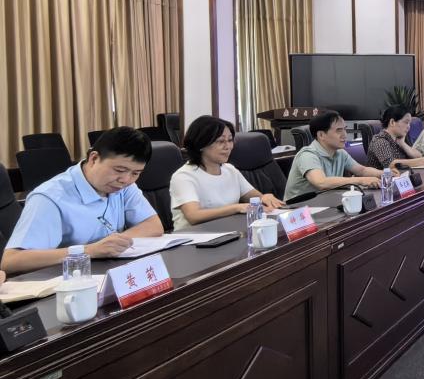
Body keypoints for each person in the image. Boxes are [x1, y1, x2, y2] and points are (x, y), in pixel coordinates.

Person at [1, 126, 164, 276]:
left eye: (136, 173)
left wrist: (114, 244)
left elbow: (153, 225)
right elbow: (12, 261)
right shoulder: (50, 197)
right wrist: (89, 251)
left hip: (110, 274)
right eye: (119, 170)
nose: (126, 179)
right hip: (66, 283)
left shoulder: (123, 185)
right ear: (94, 158)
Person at [170, 116, 286, 228]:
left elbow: (255, 197)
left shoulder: (230, 170)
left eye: (230, 140)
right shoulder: (184, 176)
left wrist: (265, 197)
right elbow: (193, 216)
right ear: (201, 144)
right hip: (194, 237)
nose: (228, 146)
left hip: (229, 232)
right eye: (221, 141)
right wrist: (236, 208)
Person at [283, 110, 383, 203]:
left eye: (345, 129)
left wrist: (387, 174)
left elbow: (362, 170)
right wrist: (361, 180)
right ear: (321, 135)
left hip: (326, 203)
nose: (344, 135)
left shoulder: (340, 153)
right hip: (299, 209)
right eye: (339, 130)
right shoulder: (307, 155)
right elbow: (321, 182)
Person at [367, 105, 424, 172]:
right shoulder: (379, 140)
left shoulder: (399, 138)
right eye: (406, 122)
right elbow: (390, 164)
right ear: (392, 122)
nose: (409, 127)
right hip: (380, 178)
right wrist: (421, 161)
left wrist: (403, 144)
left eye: (409, 123)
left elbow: (419, 156)